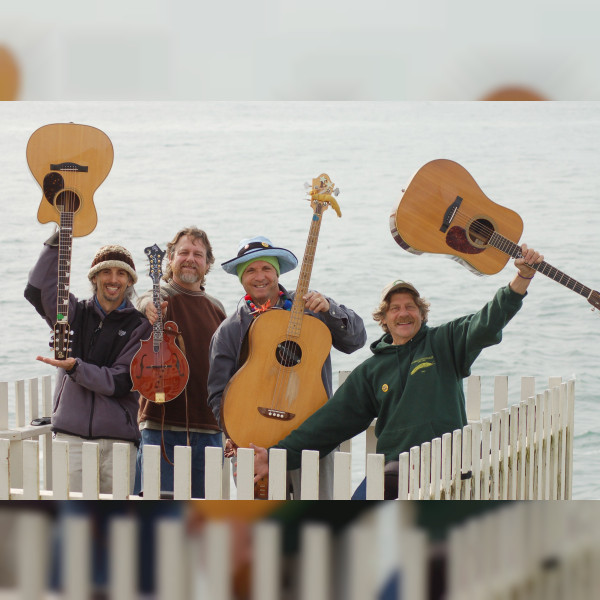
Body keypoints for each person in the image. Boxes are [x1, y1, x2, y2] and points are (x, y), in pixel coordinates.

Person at [251, 244, 544, 499]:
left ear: (421, 312)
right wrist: (277, 456)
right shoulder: (371, 371)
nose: (403, 313)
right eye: (394, 308)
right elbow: (330, 423)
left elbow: (488, 321)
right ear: (384, 318)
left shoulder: (445, 342)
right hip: (396, 470)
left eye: (410, 306)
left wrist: (522, 278)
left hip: (449, 465)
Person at [207, 235, 367, 499]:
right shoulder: (230, 330)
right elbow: (217, 394)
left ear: (277, 272)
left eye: (266, 268)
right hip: (254, 443)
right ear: (241, 278)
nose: (260, 276)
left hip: (311, 437)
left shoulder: (311, 308)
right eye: (250, 270)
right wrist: (238, 437)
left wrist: (330, 310)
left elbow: (356, 340)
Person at [24, 233, 152, 494]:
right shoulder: (71, 314)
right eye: (106, 272)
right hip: (71, 440)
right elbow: (36, 291)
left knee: (119, 528)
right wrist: (55, 244)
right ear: (94, 277)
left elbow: (121, 381)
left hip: (120, 444)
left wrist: (76, 368)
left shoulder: (140, 326)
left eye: (121, 273)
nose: (113, 280)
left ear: (129, 281)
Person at [134, 226, 226, 499]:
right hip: (160, 427)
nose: (190, 258)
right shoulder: (159, 298)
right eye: (183, 252)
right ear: (170, 259)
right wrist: (146, 306)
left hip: (209, 429)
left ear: (208, 263)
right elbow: (141, 302)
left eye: (198, 254)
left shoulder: (217, 309)